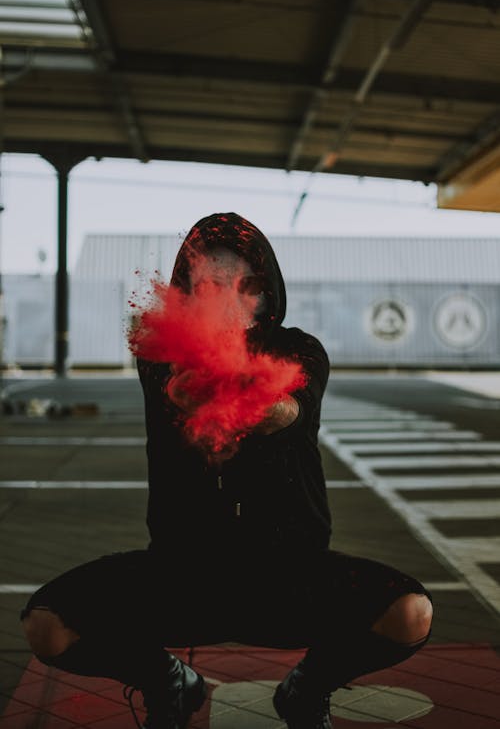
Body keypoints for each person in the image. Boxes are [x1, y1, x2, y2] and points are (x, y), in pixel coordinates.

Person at [20, 213, 433, 729]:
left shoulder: (301, 350)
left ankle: (307, 689)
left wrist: (254, 396)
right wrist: (204, 373)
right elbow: (179, 389)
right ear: (187, 291)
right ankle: (166, 680)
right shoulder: (159, 349)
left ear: (267, 291)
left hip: (290, 575)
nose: (230, 299)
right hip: (183, 573)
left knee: (409, 614)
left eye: (247, 285)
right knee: (47, 627)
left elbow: (286, 412)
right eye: (212, 285)